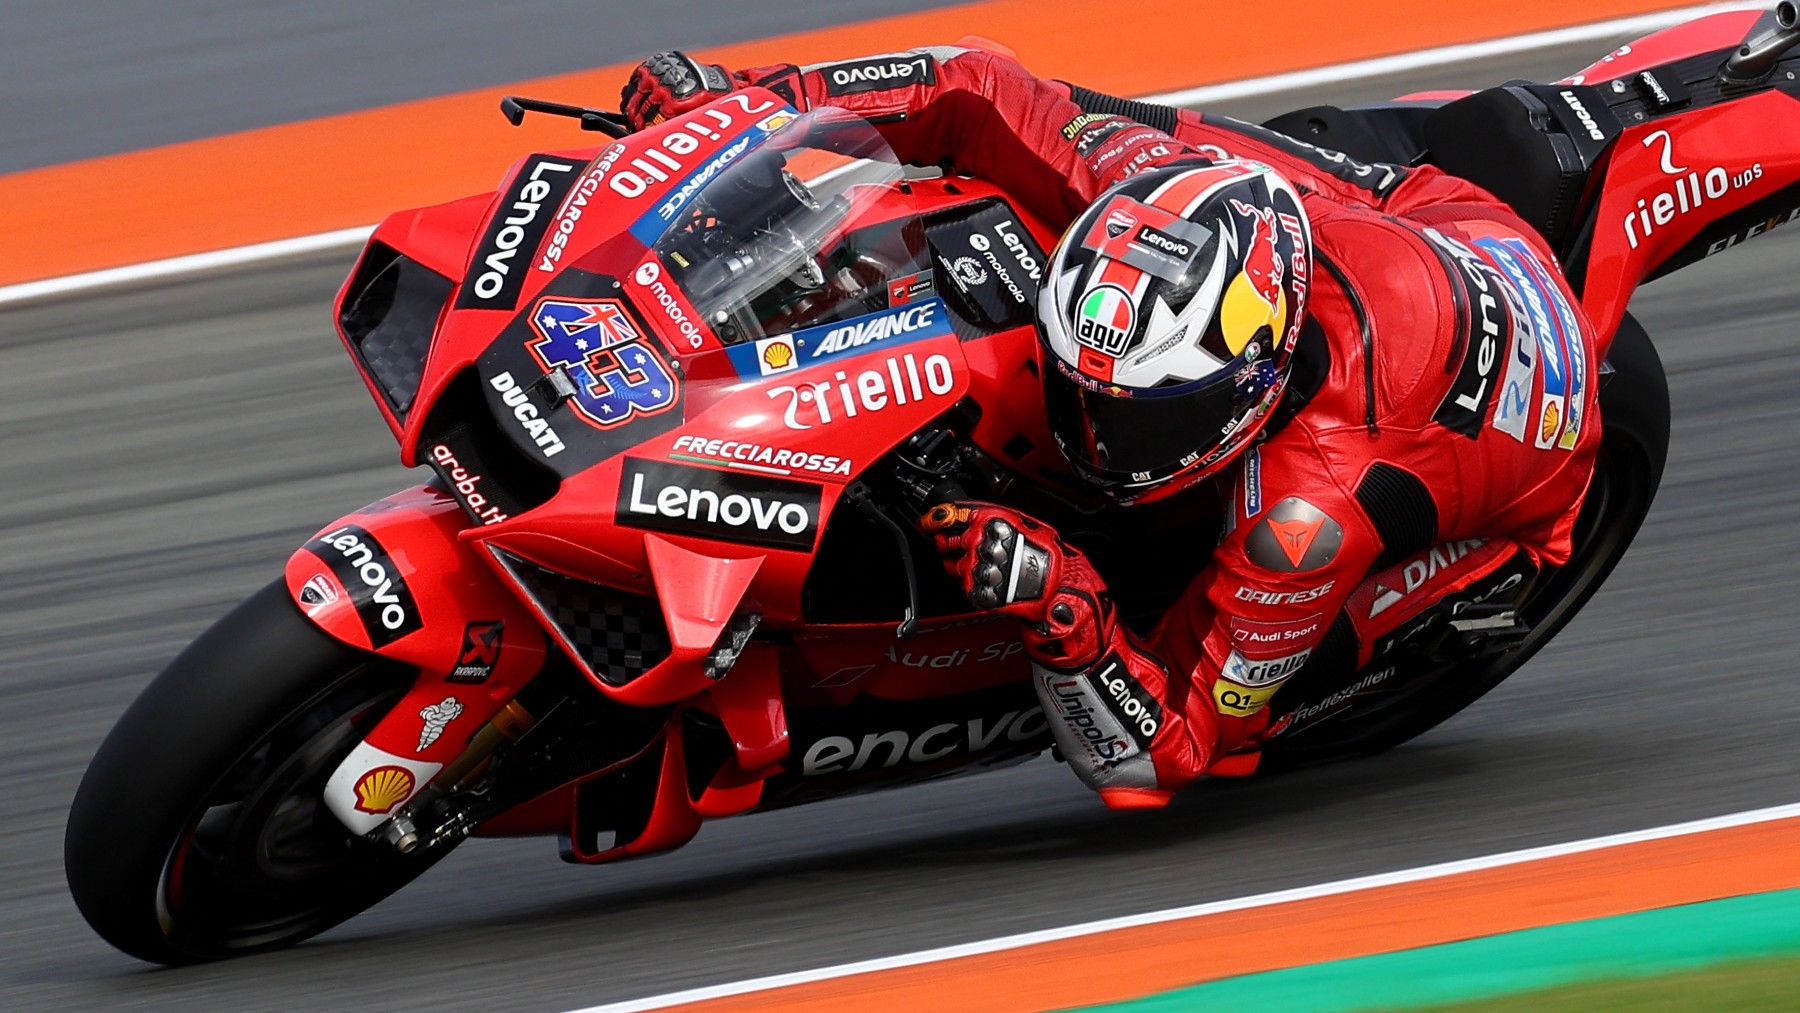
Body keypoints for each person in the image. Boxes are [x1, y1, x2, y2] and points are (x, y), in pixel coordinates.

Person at [619, 45, 1601, 809]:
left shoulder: (1309, 510)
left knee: (1239, 729)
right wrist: (749, 102)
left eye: (1136, 419)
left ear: (1248, 387)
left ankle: (1449, 594)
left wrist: (1068, 607)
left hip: (1509, 469)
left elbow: (1160, 752)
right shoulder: (1139, 184)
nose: (1093, 440)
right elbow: (972, 83)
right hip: (1398, 215)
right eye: (1083, 393)